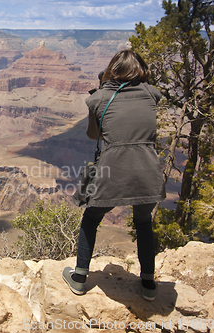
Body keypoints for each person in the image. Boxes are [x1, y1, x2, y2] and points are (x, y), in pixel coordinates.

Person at [63, 50, 166, 301]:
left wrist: (99, 95)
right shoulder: (151, 94)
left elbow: (92, 135)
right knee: (144, 223)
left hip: (113, 170)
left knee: (91, 218)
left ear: (111, 70)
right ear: (141, 71)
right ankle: (148, 284)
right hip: (148, 170)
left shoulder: (100, 98)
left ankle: (79, 277)